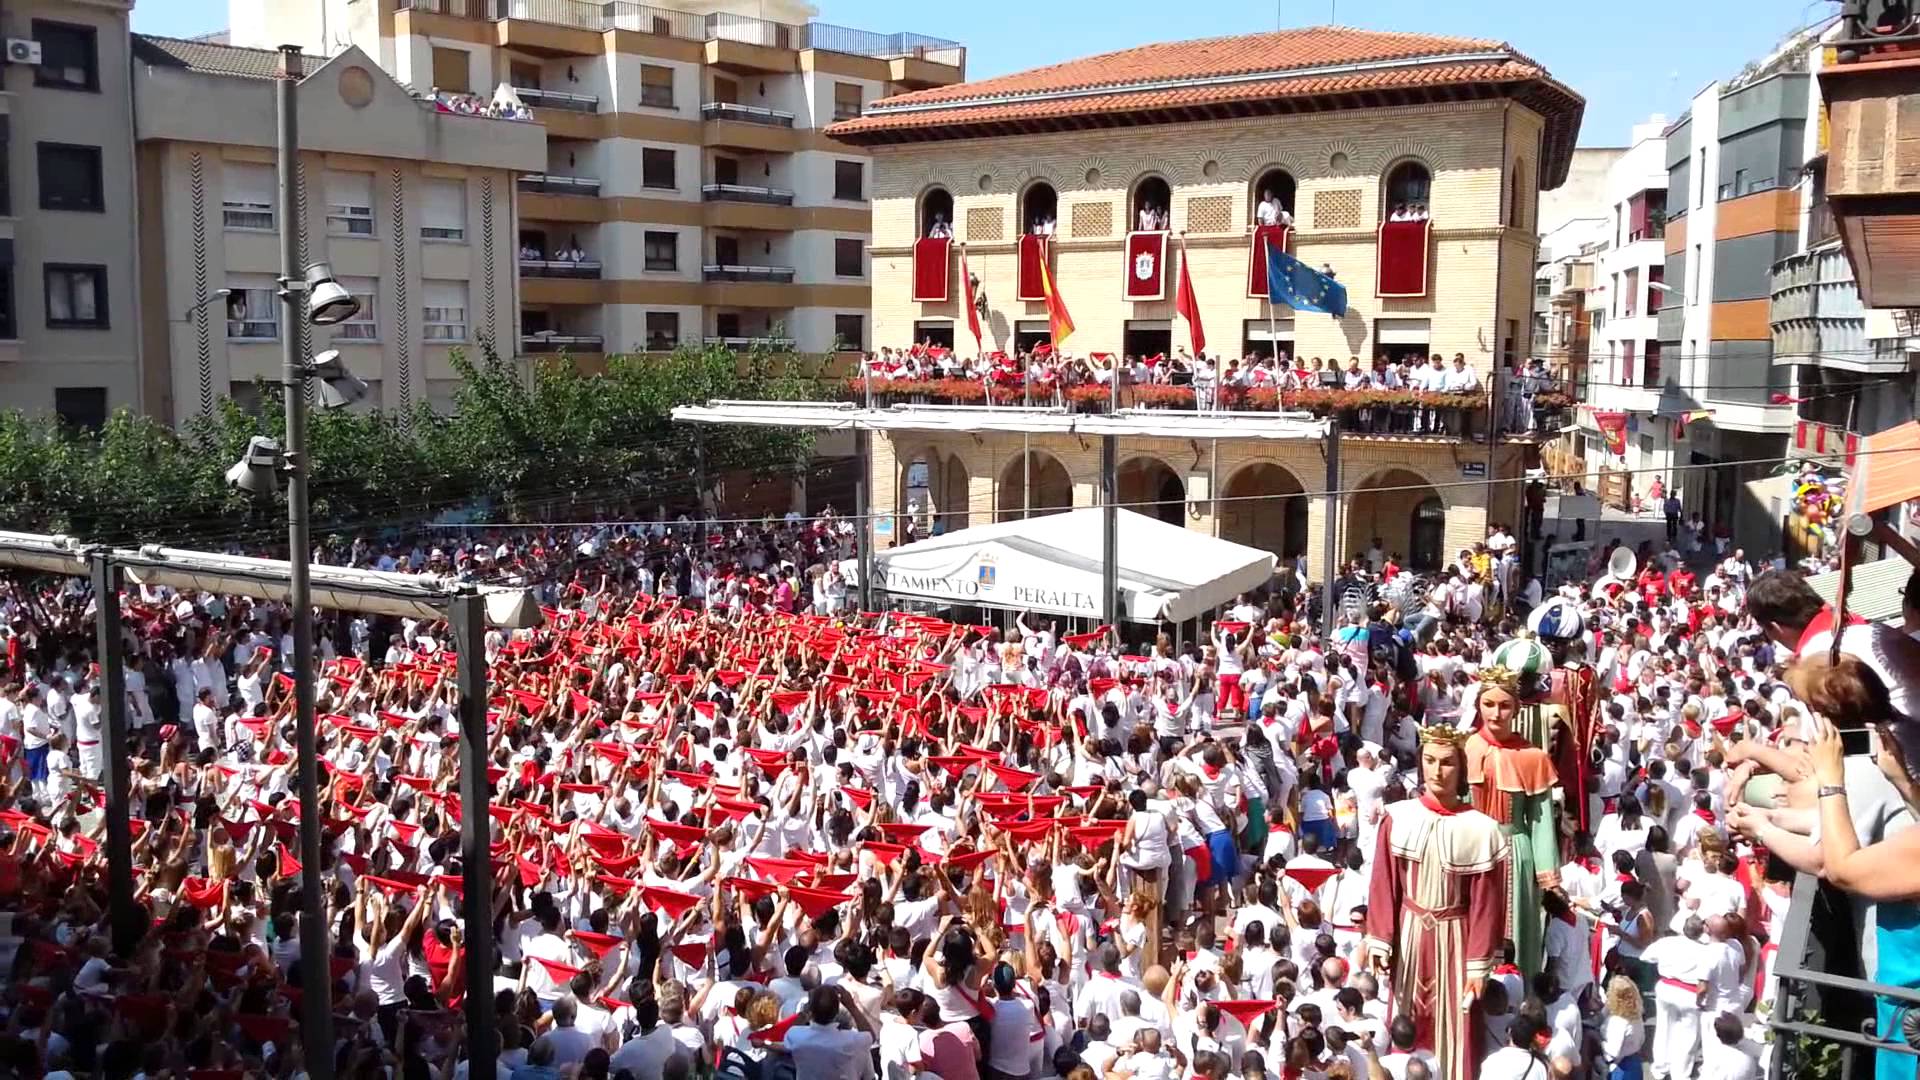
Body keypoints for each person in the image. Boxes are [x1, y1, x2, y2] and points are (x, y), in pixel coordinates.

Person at [1363, 724, 1511, 1080]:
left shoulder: (1482, 829)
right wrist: (1381, 938)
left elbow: (1486, 903)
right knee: (1405, 1017)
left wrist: (1479, 963)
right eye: (1429, 760)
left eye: (1446, 763)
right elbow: (1383, 882)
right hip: (1411, 934)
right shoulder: (1398, 817)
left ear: (1460, 769)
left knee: (1455, 1024)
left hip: (1455, 939)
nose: (1437, 771)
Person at [1463, 666, 1560, 975]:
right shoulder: (1465, 749)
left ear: (1517, 708)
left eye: (1504, 705)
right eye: (1489, 704)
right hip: (1470, 849)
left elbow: (1541, 821)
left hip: (1516, 853)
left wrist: (1547, 873)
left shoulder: (1533, 757)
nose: (1496, 713)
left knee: (1516, 928)